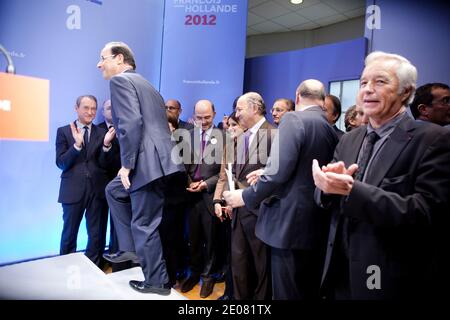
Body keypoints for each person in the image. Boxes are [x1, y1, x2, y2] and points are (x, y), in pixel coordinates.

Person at [312, 51, 450, 299]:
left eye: (380, 82)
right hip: (339, 270)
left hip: (388, 276)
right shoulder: (350, 138)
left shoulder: (434, 140)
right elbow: (329, 196)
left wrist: (354, 191)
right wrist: (324, 187)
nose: (367, 90)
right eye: (363, 82)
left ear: (406, 92)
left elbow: (427, 212)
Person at [224, 80, 338, 299]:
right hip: (316, 223)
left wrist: (245, 196)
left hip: (287, 224)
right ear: (323, 99)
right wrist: (266, 169)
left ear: (297, 96)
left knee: (285, 292)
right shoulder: (329, 128)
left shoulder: (293, 119)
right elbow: (303, 169)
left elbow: (278, 173)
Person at [97, 41, 184, 295]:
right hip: (161, 163)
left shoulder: (120, 82)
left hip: (145, 164)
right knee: (114, 191)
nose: (99, 64)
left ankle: (157, 282)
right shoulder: (148, 85)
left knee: (145, 224)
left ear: (120, 58)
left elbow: (131, 124)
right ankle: (131, 247)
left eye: (103, 58)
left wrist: (127, 164)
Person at [56, 95, 115, 267]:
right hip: (72, 190)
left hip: (97, 191)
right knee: (69, 233)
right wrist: (76, 146)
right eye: (86, 108)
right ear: (76, 108)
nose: (90, 112)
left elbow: (105, 165)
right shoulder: (64, 131)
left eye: (93, 108)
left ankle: (94, 269)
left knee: (96, 235)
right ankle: (65, 269)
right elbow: (61, 163)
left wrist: (106, 146)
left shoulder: (102, 133)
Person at [226, 92, 274, 300]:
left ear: (254, 109)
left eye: (239, 109)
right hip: (238, 213)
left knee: (261, 270)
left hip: (261, 214)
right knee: (239, 267)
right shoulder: (241, 136)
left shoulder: (275, 135)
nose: (236, 115)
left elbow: (276, 177)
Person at [181, 99, 223, 298]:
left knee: (211, 239)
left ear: (214, 114)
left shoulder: (225, 137)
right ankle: (194, 272)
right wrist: (189, 182)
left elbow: (226, 172)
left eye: (207, 117)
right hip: (190, 196)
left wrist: (206, 184)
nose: (203, 121)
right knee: (193, 239)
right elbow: (181, 165)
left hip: (210, 195)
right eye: (199, 117)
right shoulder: (186, 136)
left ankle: (207, 277)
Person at [213, 112, 243, 300]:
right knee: (230, 253)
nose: (230, 129)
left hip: (245, 204)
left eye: (235, 125)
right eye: (229, 125)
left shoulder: (254, 147)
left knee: (240, 258)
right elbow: (223, 177)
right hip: (228, 204)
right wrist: (217, 200)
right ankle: (228, 292)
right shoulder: (228, 146)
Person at [97, 99, 121, 256]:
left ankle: (115, 256)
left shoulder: (127, 129)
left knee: (118, 225)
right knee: (98, 225)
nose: (112, 111)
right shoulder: (96, 131)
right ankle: (97, 259)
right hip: (100, 185)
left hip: (123, 185)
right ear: (103, 112)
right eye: (109, 108)